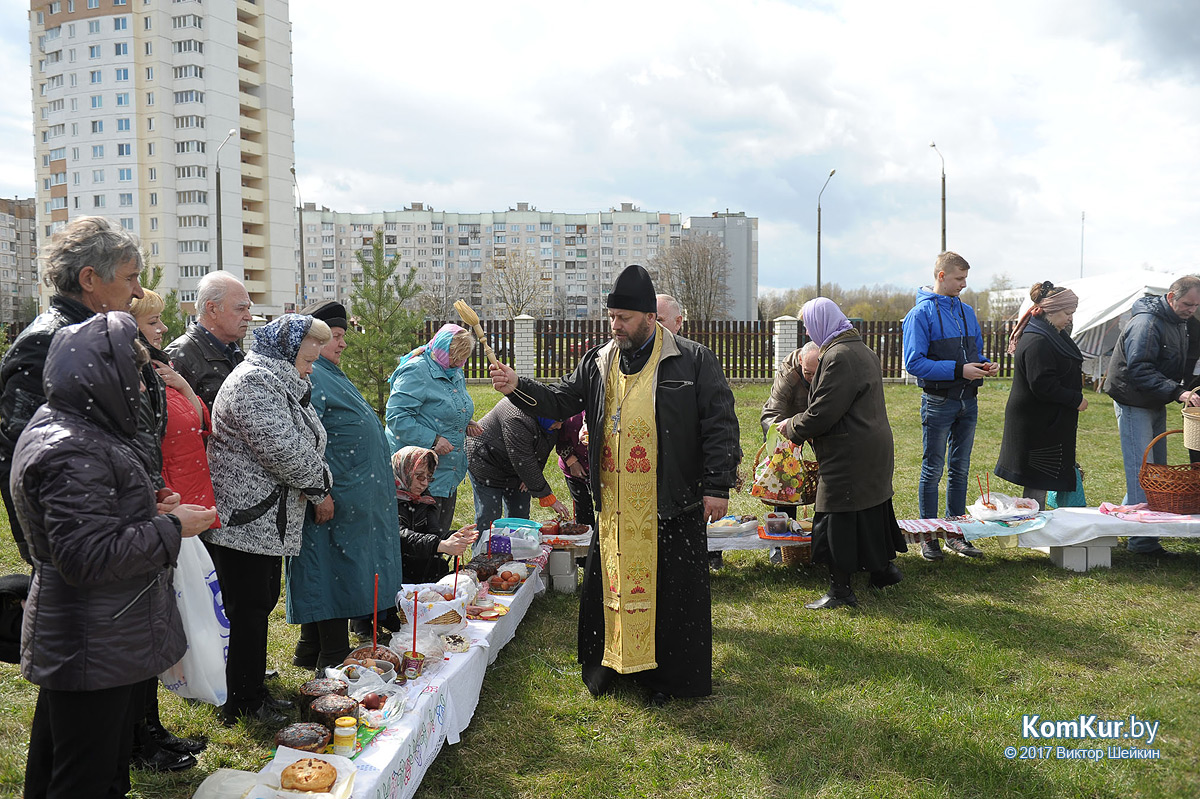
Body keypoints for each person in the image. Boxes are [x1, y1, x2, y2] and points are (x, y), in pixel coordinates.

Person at [488, 264, 741, 705]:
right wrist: (516, 387)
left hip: (672, 502)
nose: (615, 325)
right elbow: (561, 399)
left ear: (649, 316)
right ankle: (612, 665)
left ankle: (669, 680)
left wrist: (717, 487)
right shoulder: (599, 361)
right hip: (617, 507)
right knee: (616, 587)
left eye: (623, 318)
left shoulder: (691, 360)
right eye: (611, 317)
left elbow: (719, 425)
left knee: (670, 596)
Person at [11, 312, 214, 799]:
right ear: (102, 378)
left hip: (101, 632)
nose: (143, 392)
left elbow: (95, 518)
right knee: (86, 779)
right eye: (134, 378)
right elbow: (85, 556)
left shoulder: (82, 430)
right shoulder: (72, 448)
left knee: (69, 768)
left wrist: (149, 505)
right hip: (92, 635)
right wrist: (170, 527)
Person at [203, 314, 333, 725]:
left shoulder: (279, 382)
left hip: (264, 520)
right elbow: (286, 452)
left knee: (258, 606)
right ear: (287, 350)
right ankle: (242, 703)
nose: (312, 366)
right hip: (245, 521)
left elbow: (306, 440)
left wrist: (316, 475)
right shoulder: (254, 384)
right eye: (309, 358)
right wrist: (323, 482)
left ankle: (251, 690)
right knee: (249, 611)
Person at [0, 216, 144, 564]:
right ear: (89, 279)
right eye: (130, 278)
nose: (139, 292)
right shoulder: (45, 343)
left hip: (118, 531)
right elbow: (24, 458)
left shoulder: (103, 337)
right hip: (82, 547)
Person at [287, 302, 405, 670]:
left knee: (337, 573)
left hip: (349, 501)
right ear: (310, 342)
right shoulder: (311, 376)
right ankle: (333, 661)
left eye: (342, 337)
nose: (341, 344)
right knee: (330, 575)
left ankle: (310, 651)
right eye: (334, 337)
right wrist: (320, 491)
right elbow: (304, 440)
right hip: (331, 502)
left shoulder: (329, 372)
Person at [129, 290, 211, 772]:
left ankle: (151, 728)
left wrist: (181, 385)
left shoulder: (157, 370)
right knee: (143, 632)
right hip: (155, 508)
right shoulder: (130, 376)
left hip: (169, 499)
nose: (163, 330)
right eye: (154, 322)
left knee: (158, 624)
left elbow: (200, 421)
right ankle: (139, 740)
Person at [779, 298, 907, 608]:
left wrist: (792, 427)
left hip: (849, 449)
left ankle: (840, 590)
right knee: (871, 507)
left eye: (809, 325)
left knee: (837, 514)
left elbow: (824, 412)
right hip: (872, 444)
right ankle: (882, 570)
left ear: (822, 323)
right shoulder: (862, 349)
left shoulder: (838, 356)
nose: (808, 332)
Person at [902, 251, 997, 560]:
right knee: (933, 469)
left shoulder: (967, 311)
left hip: (968, 401)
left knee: (960, 468)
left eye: (966, 279)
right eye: (959, 278)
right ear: (941, 276)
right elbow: (914, 363)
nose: (963, 284)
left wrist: (983, 364)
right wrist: (959, 370)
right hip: (938, 402)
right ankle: (928, 535)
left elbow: (975, 351)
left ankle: (955, 533)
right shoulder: (921, 314)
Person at [1103, 275, 1200, 558]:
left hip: (1154, 399)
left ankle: (1120, 523)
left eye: (1195, 306)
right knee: (1143, 471)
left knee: (1155, 471)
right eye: (1186, 304)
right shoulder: (1146, 323)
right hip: (1133, 400)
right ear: (1171, 297)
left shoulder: (1178, 322)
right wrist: (1178, 391)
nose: (1191, 310)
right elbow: (1139, 369)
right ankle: (1142, 542)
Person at [994, 282, 1088, 510]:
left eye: (1072, 313)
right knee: (1038, 475)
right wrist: (1075, 400)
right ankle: (1034, 523)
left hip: (1046, 419)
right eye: (1067, 313)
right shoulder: (1038, 340)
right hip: (1036, 421)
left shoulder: (1051, 333)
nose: (1070, 318)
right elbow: (1042, 385)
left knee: (1043, 474)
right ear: (1050, 310)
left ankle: (1037, 520)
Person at [385, 324, 479, 533]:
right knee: (421, 544)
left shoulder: (454, 370)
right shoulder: (416, 371)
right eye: (454, 357)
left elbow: (449, 404)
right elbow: (397, 418)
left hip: (447, 473)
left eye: (462, 359)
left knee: (440, 537)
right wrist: (433, 440)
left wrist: (464, 422)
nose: (457, 363)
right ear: (440, 349)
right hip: (419, 476)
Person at [466, 397, 570, 530]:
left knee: (520, 519)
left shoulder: (549, 422)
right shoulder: (517, 417)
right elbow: (523, 459)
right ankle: (484, 549)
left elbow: (542, 452)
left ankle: (515, 547)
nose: (560, 426)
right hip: (486, 462)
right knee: (489, 517)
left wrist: (530, 478)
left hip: (515, 465)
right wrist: (548, 497)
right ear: (546, 416)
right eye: (557, 422)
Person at [759, 340, 820, 563]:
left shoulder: (829, 364)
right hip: (788, 421)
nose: (812, 378)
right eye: (808, 373)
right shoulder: (788, 373)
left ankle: (819, 535)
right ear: (801, 362)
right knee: (784, 475)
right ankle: (780, 540)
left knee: (830, 472)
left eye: (817, 373)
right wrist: (788, 441)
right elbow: (772, 413)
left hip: (818, 420)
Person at [392, 447, 479, 585]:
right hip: (393, 571)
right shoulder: (387, 500)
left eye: (428, 477)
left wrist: (454, 536)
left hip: (421, 568)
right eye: (419, 476)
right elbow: (399, 537)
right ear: (404, 471)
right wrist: (440, 545)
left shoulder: (424, 497)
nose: (424, 483)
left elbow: (434, 532)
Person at [166, 271, 253, 409]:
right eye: (240, 309)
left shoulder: (238, 355)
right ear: (212, 309)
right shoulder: (179, 358)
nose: (249, 317)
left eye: (248, 308)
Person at [556, 412, 594, 529]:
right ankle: (587, 541)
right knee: (583, 509)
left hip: (602, 469)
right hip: (574, 470)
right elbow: (559, 441)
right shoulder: (571, 418)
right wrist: (571, 461)